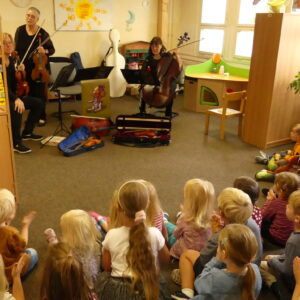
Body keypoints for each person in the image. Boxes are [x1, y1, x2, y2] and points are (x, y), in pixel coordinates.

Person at [171, 187, 263, 299]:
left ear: (222, 214)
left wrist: (215, 234)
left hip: (222, 270)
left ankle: (187, 293)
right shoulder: (252, 226)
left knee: (187, 255)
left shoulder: (220, 240)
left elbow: (203, 261)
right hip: (244, 267)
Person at [95, 180, 170, 300]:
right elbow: (165, 260)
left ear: (119, 207)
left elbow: (107, 267)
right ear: (147, 205)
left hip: (118, 291)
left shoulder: (112, 234)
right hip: (149, 287)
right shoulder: (154, 233)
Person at [191, 224, 262, 300]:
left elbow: (198, 283)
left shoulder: (215, 278)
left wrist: (216, 260)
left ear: (224, 254)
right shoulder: (255, 271)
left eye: (218, 246)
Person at [3, 33, 43, 154]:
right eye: (5, 43)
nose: (8, 45)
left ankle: (27, 132)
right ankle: (16, 142)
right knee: (17, 108)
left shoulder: (11, 59)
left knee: (38, 103)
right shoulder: (0, 63)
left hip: (12, 95)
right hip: (3, 97)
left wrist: (21, 71)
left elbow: (14, 82)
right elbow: (3, 86)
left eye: (10, 42)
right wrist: (16, 99)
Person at [15, 7, 55, 126]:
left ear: (37, 19)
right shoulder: (20, 30)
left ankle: (41, 116)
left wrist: (45, 51)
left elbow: (52, 50)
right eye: (28, 15)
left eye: (32, 16)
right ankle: (28, 116)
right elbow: (16, 50)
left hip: (39, 68)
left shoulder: (42, 33)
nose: (29, 18)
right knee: (26, 92)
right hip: (24, 67)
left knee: (39, 94)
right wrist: (18, 62)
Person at [44, 209, 101, 289]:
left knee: (56, 250)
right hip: (93, 283)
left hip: (75, 286)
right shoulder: (96, 245)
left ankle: (52, 241)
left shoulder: (68, 251)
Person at [260, 190, 300, 299]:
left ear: (297, 218)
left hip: (291, 281)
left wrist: (273, 261)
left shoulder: (294, 241)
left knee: (258, 266)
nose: (286, 206)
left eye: (289, 206)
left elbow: (287, 270)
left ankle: (276, 287)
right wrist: (278, 257)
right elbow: (291, 255)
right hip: (293, 265)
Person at [168, 178, 214, 259]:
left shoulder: (185, 218)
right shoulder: (213, 217)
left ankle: (164, 220)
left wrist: (184, 215)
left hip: (185, 253)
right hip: (203, 253)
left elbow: (176, 235)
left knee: (170, 229)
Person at [0, 189, 38, 283]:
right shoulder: (10, 233)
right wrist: (25, 226)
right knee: (32, 253)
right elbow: (23, 244)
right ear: (11, 214)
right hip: (9, 273)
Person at [140, 36, 181, 118]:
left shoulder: (167, 56)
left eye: (157, 46)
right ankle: (142, 110)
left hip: (165, 81)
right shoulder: (148, 58)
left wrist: (177, 55)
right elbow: (143, 71)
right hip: (152, 79)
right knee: (142, 87)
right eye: (152, 46)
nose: (154, 48)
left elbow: (178, 67)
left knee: (171, 89)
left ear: (161, 46)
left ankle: (168, 113)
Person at [261, 171, 300, 246]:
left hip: (278, 238)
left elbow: (263, 215)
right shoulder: (297, 201)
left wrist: (269, 201)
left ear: (281, 190)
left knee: (261, 221)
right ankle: (274, 194)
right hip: (292, 235)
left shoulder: (275, 203)